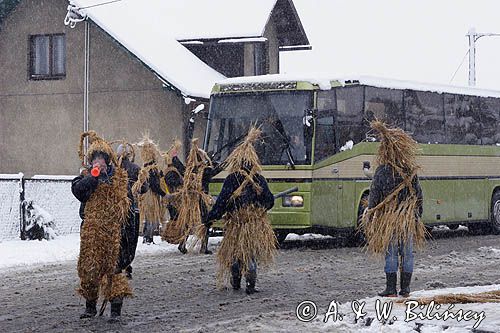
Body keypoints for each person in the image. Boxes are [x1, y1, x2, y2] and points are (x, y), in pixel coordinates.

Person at [205, 127, 276, 294]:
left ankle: (236, 280)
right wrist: (259, 209)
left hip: (236, 224)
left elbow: (221, 203)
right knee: (250, 252)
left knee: (236, 253)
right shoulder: (258, 179)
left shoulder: (231, 179)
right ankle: (250, 284)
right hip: (252, 224)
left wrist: (210, 218)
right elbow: (270, 201)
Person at [72, 131, 132, 320]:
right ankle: (90, 307)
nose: (99, 161)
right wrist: (94, 176)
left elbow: (127, 204)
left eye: (102, 158)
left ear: (108, 159)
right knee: (89, 271)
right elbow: (78, 192)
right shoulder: (85, 178)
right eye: (95, 158)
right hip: (91, 234)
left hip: (113, 234)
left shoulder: (120, 179)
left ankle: (115, 310)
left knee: (114, 271)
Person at [362, 120, 426, 298]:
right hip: (407, 220)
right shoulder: (409, 171)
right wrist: (416, 217)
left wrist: (372, 212)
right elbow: (418, 197)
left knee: (390, 252)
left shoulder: (382, 171)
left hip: (389, 221)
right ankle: (405, 289)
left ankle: (390, 289)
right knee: (407, 253)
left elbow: (374, 196)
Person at [116, 142, 146, 279]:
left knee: (118, 238)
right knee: (130, 239)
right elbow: (144, 188)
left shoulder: (114, 169)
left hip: (116, 210)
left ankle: (119, 263)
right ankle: (126, 264)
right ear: (130, 155)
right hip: (132, 209)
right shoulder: (136, 169)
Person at [132, 135, 166, 245]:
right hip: (151, 197)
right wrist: (164, 194)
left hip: (145, 196)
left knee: (147, 217)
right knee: (151, 217)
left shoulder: (145, 169)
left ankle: (147, 237)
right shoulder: (152, 170)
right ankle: (148, 237)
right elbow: (155, 185)